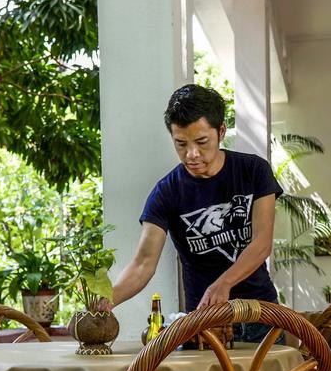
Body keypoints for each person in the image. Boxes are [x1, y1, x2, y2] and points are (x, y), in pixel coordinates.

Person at [105, 84, 283, 343]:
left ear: (220, 131)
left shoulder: (253, 171)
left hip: (261, 317)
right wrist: (104, 303)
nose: (192, 154)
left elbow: (261, 243)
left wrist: (223, 283)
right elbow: (143, 264)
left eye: (201, 142)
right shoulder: (166, 192)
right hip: (205, 324)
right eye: (181, 144)